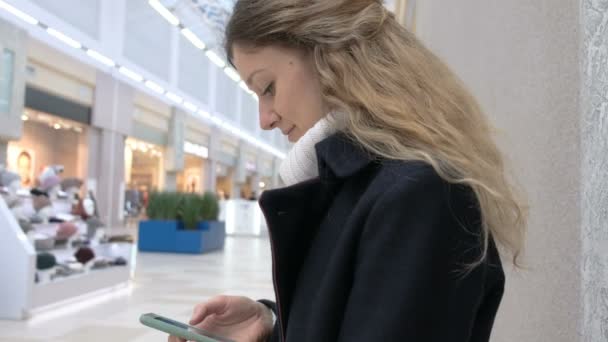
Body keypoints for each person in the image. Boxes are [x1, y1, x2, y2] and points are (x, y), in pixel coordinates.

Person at [170, 1, 526, 341]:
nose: (265, 119)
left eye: (268, 88)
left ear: (330, 54)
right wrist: (271, 326)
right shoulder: (364, 189)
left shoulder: (420, 197)